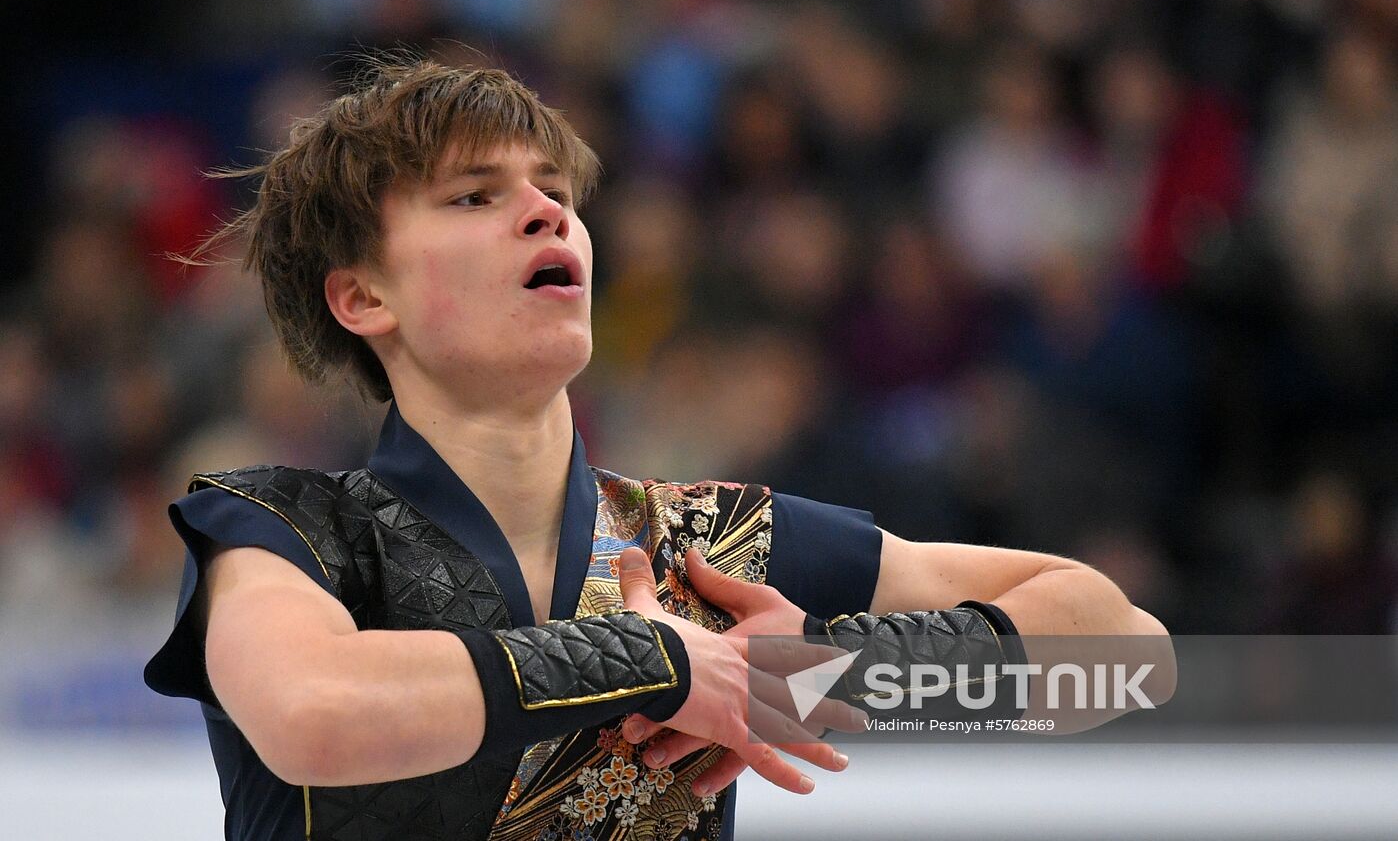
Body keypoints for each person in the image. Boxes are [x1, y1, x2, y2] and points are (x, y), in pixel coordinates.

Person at [144, 60, 1172, 841]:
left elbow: (1124, 658)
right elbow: (313, 711)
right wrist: (653, 660)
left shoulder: (705, 543)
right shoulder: (283, 524)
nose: (549, 210)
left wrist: (823, 670)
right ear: (363, 295)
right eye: (474, 196)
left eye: (555, 190)